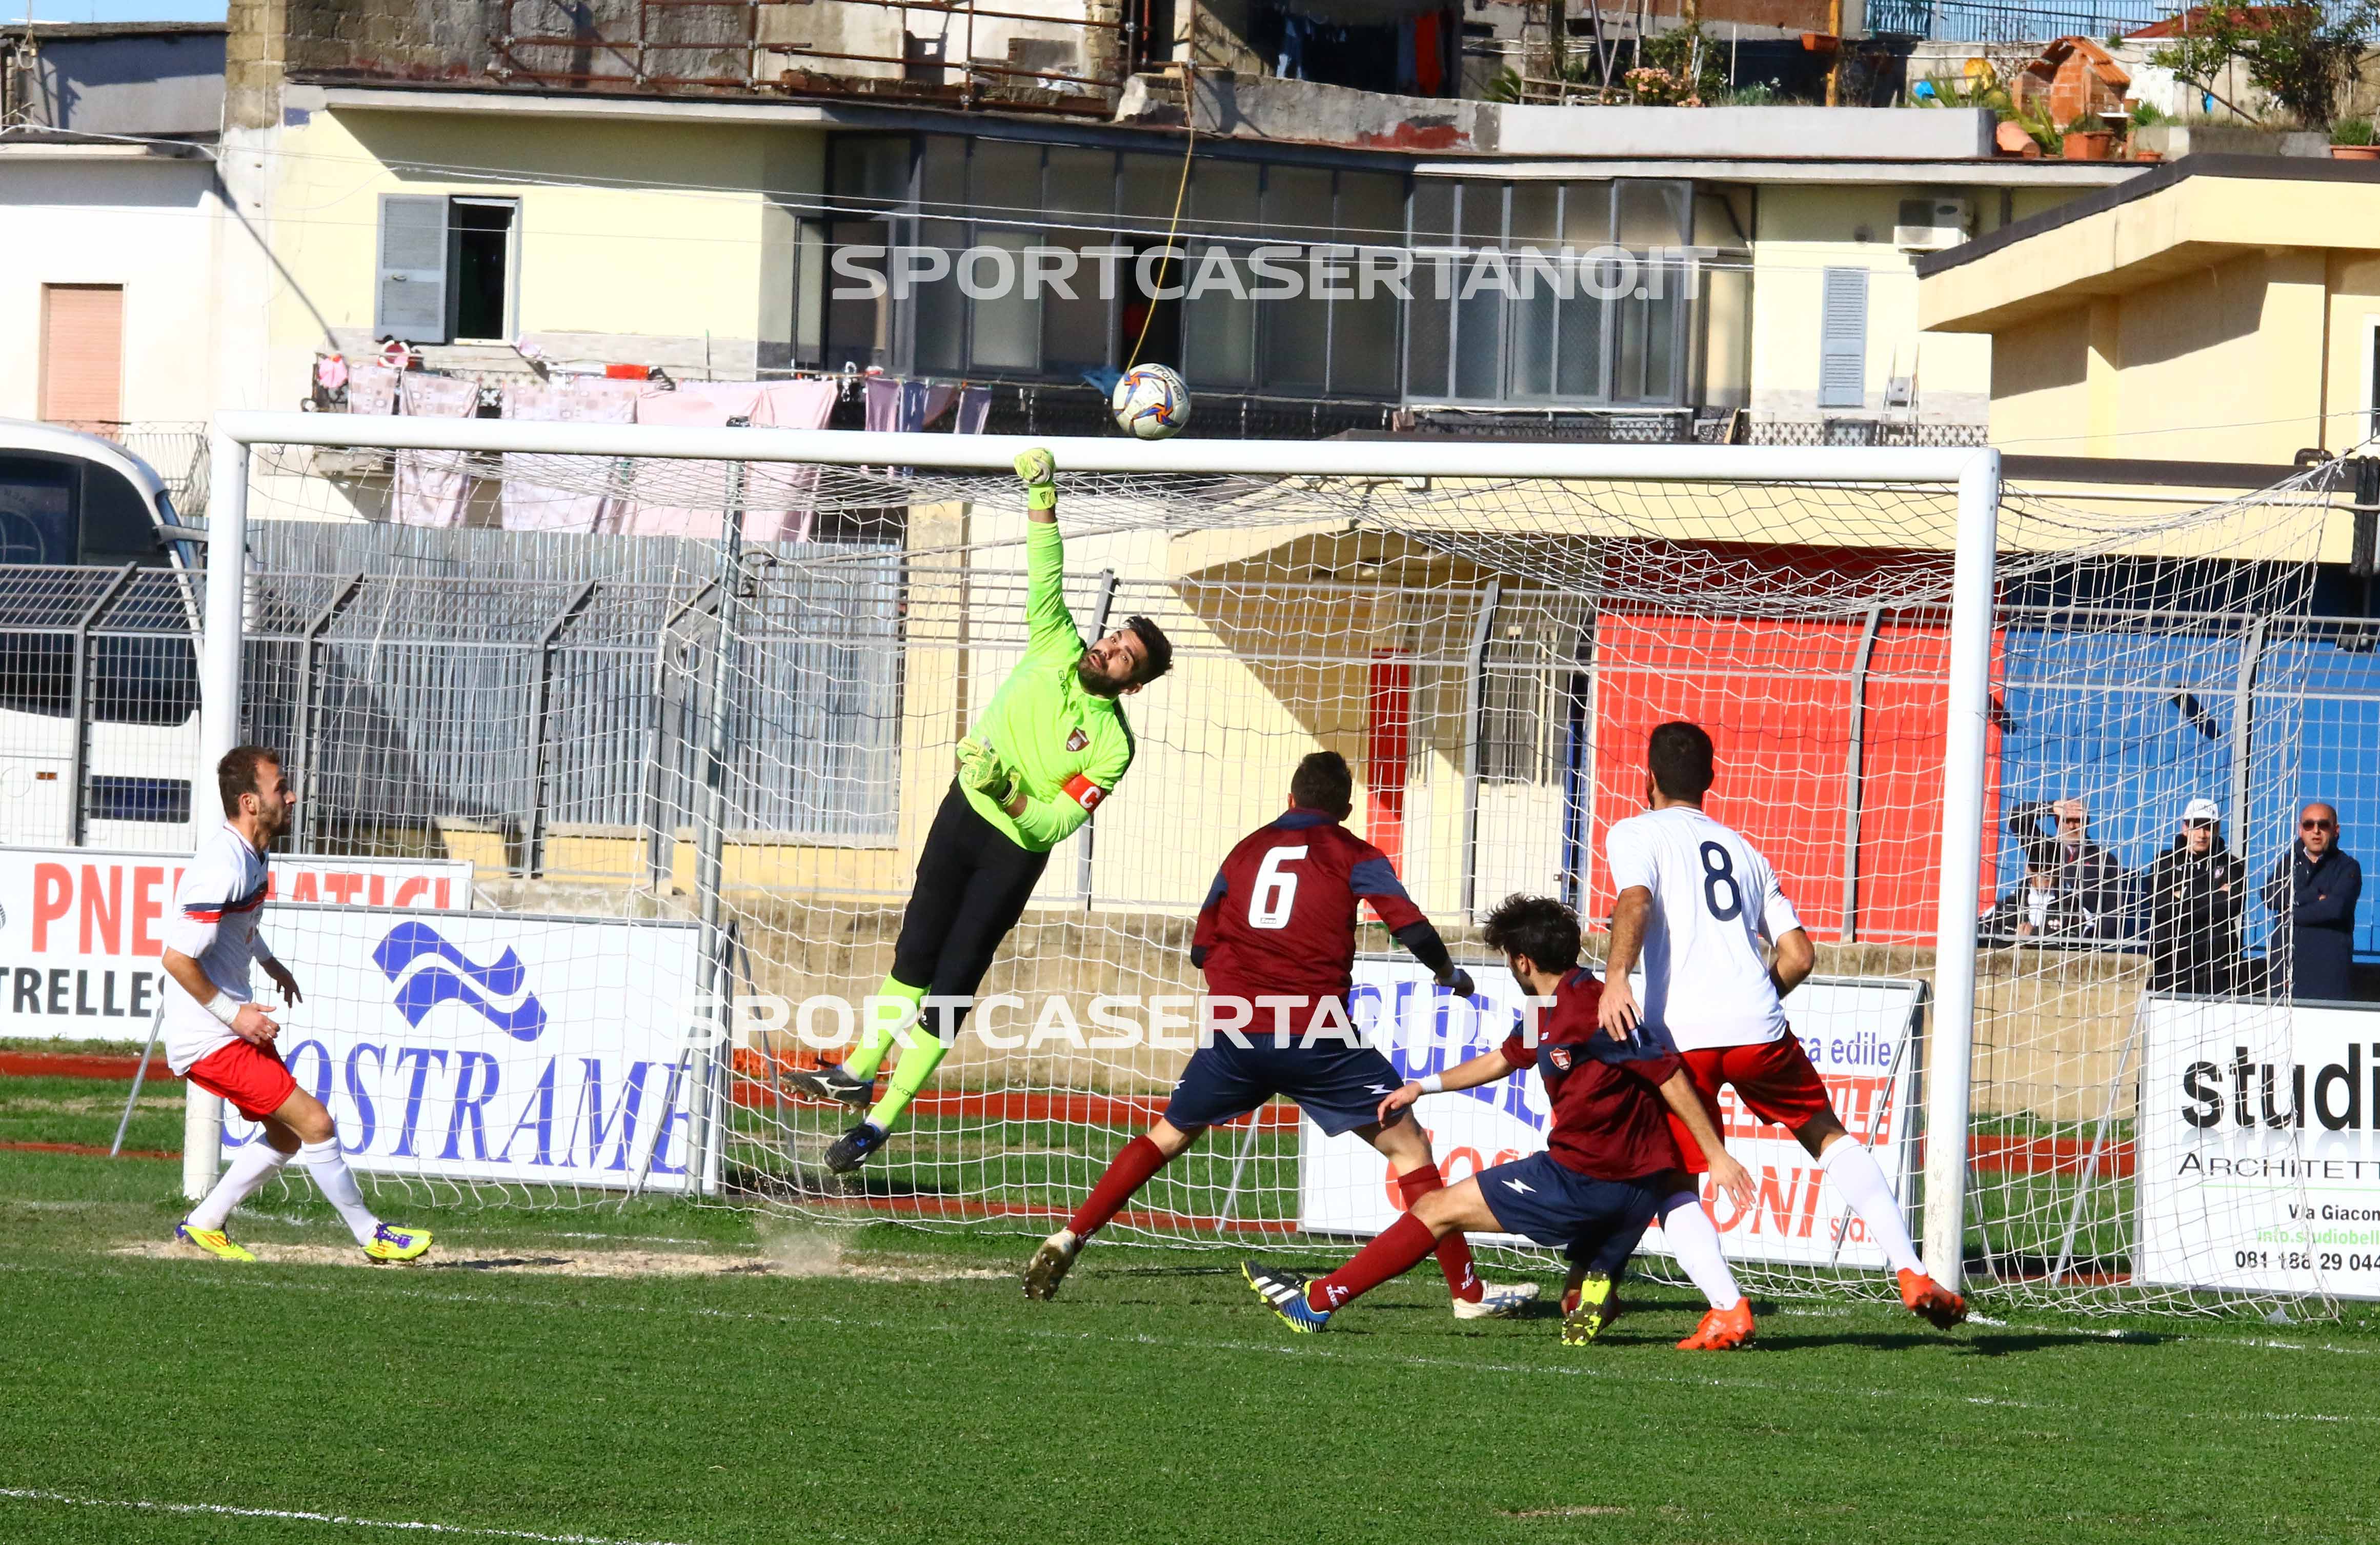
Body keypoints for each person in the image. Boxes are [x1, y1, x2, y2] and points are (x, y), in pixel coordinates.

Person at [1024, 751, 1537, 1320]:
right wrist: (1448, 974)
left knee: (1168, 1135)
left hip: (1237, 1030)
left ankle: (1071, 1234)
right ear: (1344, 809)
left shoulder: (1244, 851)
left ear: (1290, 801)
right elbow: (1408, 923)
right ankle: (1467, 1293)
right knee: (1409, 1146)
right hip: (1315, 1033)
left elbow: (1199, 948)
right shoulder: (1352, 852)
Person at [783, 449, 1174, 1172]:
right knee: (914, 946)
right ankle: (856, 1068)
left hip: (1011, 852)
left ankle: (880, 1121)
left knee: (956, 976)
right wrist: (1043, 495)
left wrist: (1005, 788)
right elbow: (1045, 567)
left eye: (1124, 657)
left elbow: (1054, 825)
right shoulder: (1053, 643)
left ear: (1134, 684)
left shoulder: (1113, 748)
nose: (1108, 648)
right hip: (961, 814)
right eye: (1114, 637)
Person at [1239, 893, 1758, 1346]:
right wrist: (1424, 1084)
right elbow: (1503, 1059)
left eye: (1509, 957)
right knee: (1572, 1302)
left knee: (1435, 1208)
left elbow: (1668, 1075)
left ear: (1524, 961)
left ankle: (1317, 1301)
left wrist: (1716, 1156)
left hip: (1582, 1179)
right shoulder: (1553, 1005)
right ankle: (1594, 1282)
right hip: (1637, 1189)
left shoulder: (1594, 1008)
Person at [1598, 720, 1967, 1331]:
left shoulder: (1635, 831)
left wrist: (1616, 979)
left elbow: (1634, 902)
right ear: (1711, 780)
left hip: (1681, 1037)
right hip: (1757, 1025)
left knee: (1671, 1174)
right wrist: (1751, 1002)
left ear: (1649, 779)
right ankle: (1910, 1268)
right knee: (1826, 1133)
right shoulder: (1745, 851)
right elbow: (1798, 954)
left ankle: (1727, 1308)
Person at [170, 746, 431, 1265]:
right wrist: (235, 1015)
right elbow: (178, 960)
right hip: (211, 1036)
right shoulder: (221, 866)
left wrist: (269, 964)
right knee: (315, 1122)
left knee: (288, 1134)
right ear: (250, 801)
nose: (291, 796)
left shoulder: (252, 854)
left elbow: (236, 925)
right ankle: (372, 1235)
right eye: (279, 787)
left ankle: (204, 1222)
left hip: (227, 1029)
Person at [2139, 797, 2246, 995]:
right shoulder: (2164, 862)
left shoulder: (2232, 865)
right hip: (2170, 960)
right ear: (2185, 828)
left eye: (2208, 827)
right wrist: (2214, 896)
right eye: (2196, 826)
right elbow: (2161, 907)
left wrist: (2183, 895)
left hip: (2217, 961)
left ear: (2216, 829)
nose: (2202, 834)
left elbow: (2231, 907)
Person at [2262, 802, 2363, 1001]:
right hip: (2285, 973)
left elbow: (2335, 909)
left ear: (2336, 830)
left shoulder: (2348, 867)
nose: (2316, 831)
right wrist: (2315, 895)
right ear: (2301, 830)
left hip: (2328, 976)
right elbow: (2270, 896)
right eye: (2309, 825)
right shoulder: (2291, 863)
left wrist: (2290, 912)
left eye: (2323, 825)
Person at [2004, 796, 2127, 940]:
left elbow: (2114, 912)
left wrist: (2091, 943)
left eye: (2077, 821)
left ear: (2087, 823)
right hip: (2034, 939)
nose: (2072, 826)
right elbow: (2016, 816)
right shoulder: (2043, 849)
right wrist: (2052, 807)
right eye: (2067, 820)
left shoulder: (2105, 860)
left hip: (2083, 942)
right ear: (2057, 822)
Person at [1981, 838, 2083, 944]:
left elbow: (2081, 938)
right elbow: (1981, 930)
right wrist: (2013, 937)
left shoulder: (2072, 905)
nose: (2044, 871)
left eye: (2050, 866)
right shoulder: (2008, 904)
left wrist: (2033, 935)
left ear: (2060, 870)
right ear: (2028, 869)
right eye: (2037, 866)